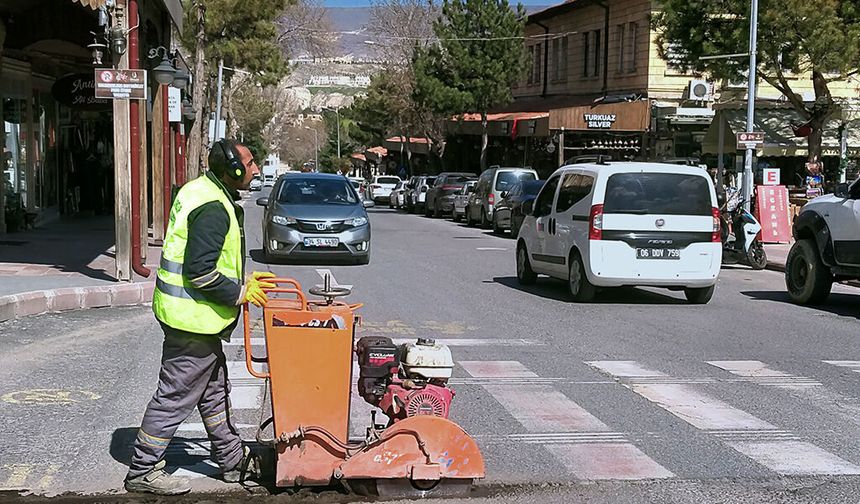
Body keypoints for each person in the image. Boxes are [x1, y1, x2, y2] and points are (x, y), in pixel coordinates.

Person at [124, 139, 274, 495]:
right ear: (232, 169)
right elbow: (200, 272)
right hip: (192, 319)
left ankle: (231, 458)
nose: (255, 170)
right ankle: (143, 470)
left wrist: (245, 280)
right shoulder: (212, 207)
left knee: (213, 391)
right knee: (175, 393)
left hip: (194, 317)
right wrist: (239, 293)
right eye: (250, 163)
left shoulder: (205, 191)